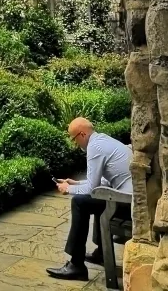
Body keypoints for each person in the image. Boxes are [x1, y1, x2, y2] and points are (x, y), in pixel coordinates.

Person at [46, 118, 133, 281]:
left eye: (74, 139)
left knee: (79, 202)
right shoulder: (103, 140)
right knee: (94, 199)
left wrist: (68, 189)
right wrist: (76, 182)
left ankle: (76, 265)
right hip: (130, 198)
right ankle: (100, 253)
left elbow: (92, 189)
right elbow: (104, 181)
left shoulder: (95, 147)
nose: (75, 144)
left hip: (128, 204)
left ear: (82, 134)